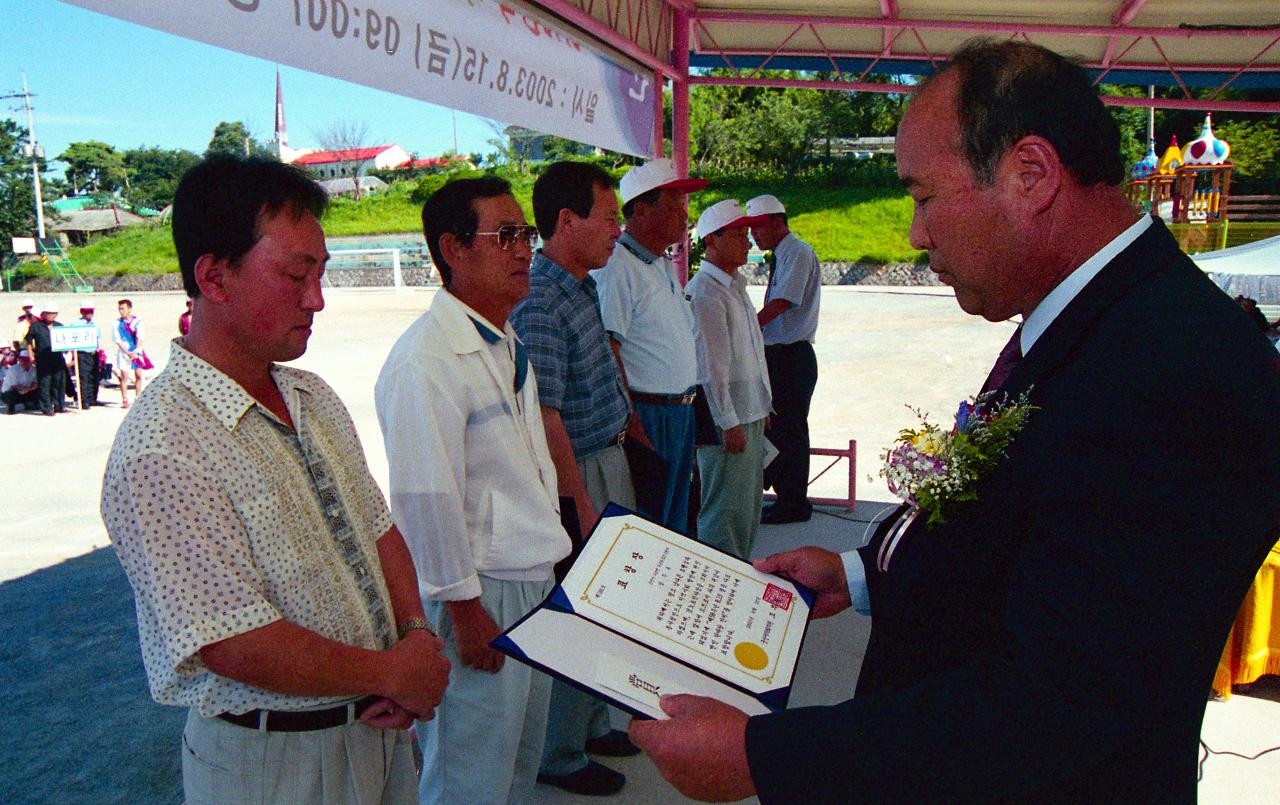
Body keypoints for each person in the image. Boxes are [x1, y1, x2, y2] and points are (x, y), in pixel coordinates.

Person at [627, 40, 1280, 803]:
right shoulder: (1100, 319)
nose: (914, 234)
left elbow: (1055, 706)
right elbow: (1023, 529)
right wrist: (864, 571)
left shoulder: (1173, 368)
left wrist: (762, 754)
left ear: (1031, 175)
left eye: (924, 196)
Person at [100, 155, 450, 805]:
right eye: (296, 274)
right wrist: (392, 670)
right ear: (214, 275)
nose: (316, 298)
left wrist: (416, 634)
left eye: (320, 273)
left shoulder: (312, 396)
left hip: (376, 732)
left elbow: (377, 528)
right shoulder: (162, 447)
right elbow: (232, 640)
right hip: (275, 763)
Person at [375, 176, 572, 804]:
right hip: (482, 591)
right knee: (467, 773)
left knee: (516, 761)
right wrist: (464, 609)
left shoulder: (504, 341)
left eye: (527, 236)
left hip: (530, 576)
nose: (524, 251)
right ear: (453, 250)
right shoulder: (426, 361)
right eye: (505, 235)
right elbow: (424, 498)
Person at [510, 161, 637, 797]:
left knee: (606, 603)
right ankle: (559, 754)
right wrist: (579, 500)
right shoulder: (541, 300)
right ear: (567, 221)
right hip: (580, 469)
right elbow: (547, 411)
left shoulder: (580, 285)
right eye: (610, 218)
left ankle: (592, 722)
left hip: (606, 458)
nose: (618, 230)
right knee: (576, 608)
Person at [592, 159, 708, 533]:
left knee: (675, 526)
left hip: (679, 413)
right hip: (649, 416)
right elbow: (610, 352)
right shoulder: (617, 267)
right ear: (641, 211)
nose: (684, 215)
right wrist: (636, 426)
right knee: (650, 528)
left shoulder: (659, 264)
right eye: (674, 205)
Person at [684, 199, 772, 561]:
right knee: (724, 511)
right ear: (713, 240)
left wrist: (763, 405)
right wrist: (728, 421)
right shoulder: (706, 292)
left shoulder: (734, 286)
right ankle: (719, 578)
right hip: (729, 418)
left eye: (746, 234)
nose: (747, 242)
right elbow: (711, 367)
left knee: (746, 508)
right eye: (738, 234)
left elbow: (751, 354)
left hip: (748, 411)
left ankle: (738, 574)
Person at [746, 194, 822, 524]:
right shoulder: (783, 254)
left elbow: (782, 302)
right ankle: (784, 498)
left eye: (758, 228)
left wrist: (747, 328)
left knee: (790, 430)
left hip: (791, 355)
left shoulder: (798, 253)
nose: (753, 236)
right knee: (780, 428)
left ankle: (793, 503)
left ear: (778, 222)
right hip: (778, 354)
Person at [24, 302, 67, 416]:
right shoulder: (36, 326)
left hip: (57, 358)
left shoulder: (59, 326)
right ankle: (46, 408)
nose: (51, 315)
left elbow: (66, 342)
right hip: (43, 358)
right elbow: (28, 341)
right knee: (44, 383)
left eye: (53, 313)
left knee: (58, 382)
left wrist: (67, 349)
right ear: (44, 314)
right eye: (48, 313)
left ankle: (59, 405)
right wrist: (31, 355)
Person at [113, 298, 148, 407]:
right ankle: (125, 399)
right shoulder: (117, 323)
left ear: (129, 309)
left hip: (136, 351)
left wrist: (136, 351)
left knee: (138, 375)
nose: (121, 311)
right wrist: (127, 352)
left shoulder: (137, 321)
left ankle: (138, 397)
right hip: (124, 352)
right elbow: (117, 340)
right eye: (119, 309)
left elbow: (140, 338)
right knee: (124, 376)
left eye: (123, 309)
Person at [74, 304, 102, 408]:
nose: (89, 314)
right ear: (82, 312)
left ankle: (92, 399)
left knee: (94, 377)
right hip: (82, 353)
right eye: (87, 311)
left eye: (91, 311)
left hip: (94, 353)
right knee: (83, 377)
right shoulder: (75, 323)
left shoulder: (96, 323)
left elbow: (98, 338)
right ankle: (84, 400)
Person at [1, 349, 37, 414]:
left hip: (25, 390)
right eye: (22, 360)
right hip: (9, 393)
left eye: (26, 361)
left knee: (37, 389)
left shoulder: (33, 369)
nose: (24, 362)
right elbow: (14, 385)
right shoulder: (13, 370)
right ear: (19, 360)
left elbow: (34, 383)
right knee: (12, 392)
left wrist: (28, 389)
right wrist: (25, 389)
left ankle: (28, 404)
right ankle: (11, 407)